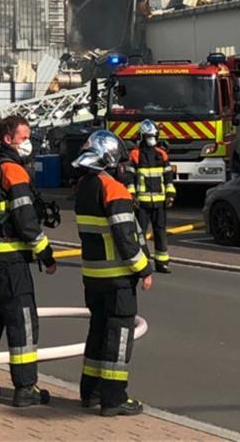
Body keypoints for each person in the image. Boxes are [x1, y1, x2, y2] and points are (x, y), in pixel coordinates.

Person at [0, 114, 57, 408]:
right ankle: (25, 387)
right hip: (10, 258)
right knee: (22, 321)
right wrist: (46, 254)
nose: (28, 143)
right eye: (24, 137)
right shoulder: (12, 171)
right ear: (8, 139)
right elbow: (26, 221)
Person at [72, 129, 153, 417]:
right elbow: (125, 237)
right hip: (117, 277)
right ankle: (114, 398)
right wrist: (143, 268)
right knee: (119, 337)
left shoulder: (84, 187)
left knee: (97, 332)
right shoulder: (113, 189)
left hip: (92, 276)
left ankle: (90, 392)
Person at [126, 119, 175, 273]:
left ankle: (162, 263)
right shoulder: (134, 155)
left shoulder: (162, 155)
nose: (151, 139)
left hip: (160, 203)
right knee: (140, 235)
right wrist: (132, 196)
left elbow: (168, 178)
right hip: (141, 204)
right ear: (141, 136)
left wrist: (170, 195)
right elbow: (130, 178)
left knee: (160, 233)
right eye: (148, 136)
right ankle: (143, 263)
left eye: (152, 136)